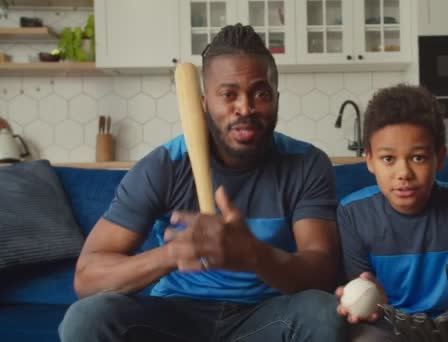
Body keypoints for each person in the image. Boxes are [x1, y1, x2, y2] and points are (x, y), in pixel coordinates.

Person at [59, 23, 347, 342]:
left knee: (322, 312)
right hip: (175, 317)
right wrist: (173, 254)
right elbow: (87, 277)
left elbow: (322, 270)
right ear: (204, 103)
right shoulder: (164, 166)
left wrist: (253, 254)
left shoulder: (306, 164)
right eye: (228, 94)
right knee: (87, 318)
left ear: (276, 98)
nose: (245, 108)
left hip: (264, 315)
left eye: (260, 93)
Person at [334, 84, 448, 341]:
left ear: (440, 158)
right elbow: (364, 305)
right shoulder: (352, 213)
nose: (404, 174)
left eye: (418, 158)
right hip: (390, 331)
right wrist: (373, 301)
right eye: (388, 159)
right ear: (369, 160)